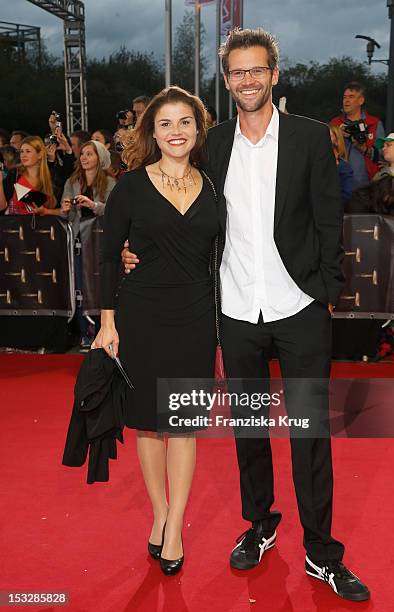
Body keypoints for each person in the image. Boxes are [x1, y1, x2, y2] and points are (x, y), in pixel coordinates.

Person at [122, 28, 370, 601]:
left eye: (258, 70)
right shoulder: (214, 143)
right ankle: (259, 525)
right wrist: (139, 251)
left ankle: (321, 552)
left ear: (275, 75)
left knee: (310, 433)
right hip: (236, 310)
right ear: (227, 80)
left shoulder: (311, 138)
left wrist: (326, 293)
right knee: (251, 429)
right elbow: (179, 205)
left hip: (300, 306)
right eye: (237, 72)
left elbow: (330, 220)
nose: (248, 80)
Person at [92, 86, 218, 576]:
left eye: (184, 121)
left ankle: (176, 524)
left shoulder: (211, 186)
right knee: (148, 421)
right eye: (165, 123)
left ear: (197, 128)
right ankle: (160, 512)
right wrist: (108, 321)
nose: (175, 131)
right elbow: (107, 255)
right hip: (141, 314)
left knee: (182, 426)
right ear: (152, 131)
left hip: (194, 317)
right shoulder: (130, 186)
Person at [61, 140, 116, 350]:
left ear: (99, 157)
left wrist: (93, 205)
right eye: (82, 154)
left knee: (102, 284)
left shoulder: (110, 183)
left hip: (102, 240)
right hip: (78, 241)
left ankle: (106, 328)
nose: (84, 158)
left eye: (89, 154)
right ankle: (85, 332)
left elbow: (114, 211)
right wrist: (65, 209)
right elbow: (63, 214)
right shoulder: (72, 181)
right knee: (80, 286)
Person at [331, 82, 384, 188]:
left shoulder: (374, 123)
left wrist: (364, 148)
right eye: (344, 97)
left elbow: (383, 154)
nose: (346, 101)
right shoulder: (335, 123)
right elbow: (324, 152)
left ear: (361, 100)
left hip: (366, 185)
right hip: (339, 183)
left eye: (351, 97)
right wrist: (337, 136)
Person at [0, 135, 56, 214]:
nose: (23, 155)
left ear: (39, 155)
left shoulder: (49, 176)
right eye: (22, 151)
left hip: (43, 225)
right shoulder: (14, 174)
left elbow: (61, 210)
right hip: (15, 225)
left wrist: (45, 211)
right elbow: (1, 206)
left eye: (28, 151)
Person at [329, 124, 354, 204]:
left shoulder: (344, 167)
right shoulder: (316, 162)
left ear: (337, 141)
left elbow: (346, 195)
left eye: (328, 135)